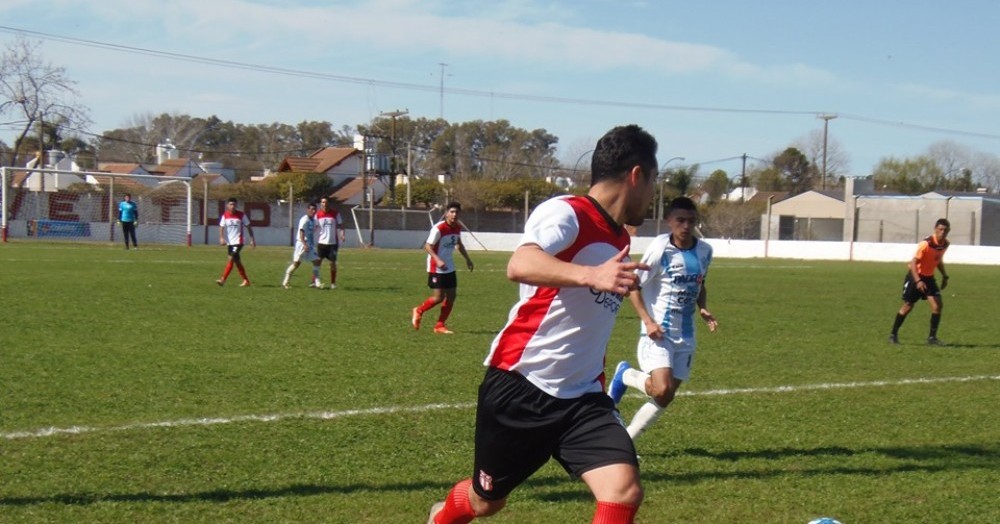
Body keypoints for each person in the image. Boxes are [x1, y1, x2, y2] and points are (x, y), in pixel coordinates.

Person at [427, 124, 658, 524]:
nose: (654, 195)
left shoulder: (618, 235)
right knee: (486, 502)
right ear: (636, 175)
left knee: (623, 490)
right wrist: (591, 276)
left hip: (583, 397)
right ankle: (440, 518)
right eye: (655, 181)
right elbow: (520, 264)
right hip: (522, 386)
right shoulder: (567, 212)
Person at [607, 196, 718, 442]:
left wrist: (703, 307)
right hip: (659, 332)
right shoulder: (660, 250)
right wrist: (647, 321)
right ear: (669, 221)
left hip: (686, 335)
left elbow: (701, 283)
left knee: (665, 396)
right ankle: (624, 378)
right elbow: (633, 285)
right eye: (680, 220)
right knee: (662, 388)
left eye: (691, 221)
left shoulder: (704, 251)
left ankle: (625, 436)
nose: (686, 226)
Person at [411, 202, 475, 335]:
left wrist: (467, 259)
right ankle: (419, 310)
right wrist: (437, 259)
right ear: (446, 213)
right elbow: (427, 246)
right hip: (436, 267)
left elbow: (459, 244)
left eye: (457, 212)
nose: (454, 214)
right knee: (438, 297)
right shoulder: (439, 228)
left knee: (451, 296)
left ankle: (440, 325)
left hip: (449, 266)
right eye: (452, 212)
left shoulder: (457, 228)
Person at [889, 218, 951, 345]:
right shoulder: (926, 244)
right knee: (908, 306)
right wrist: (918, 281)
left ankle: (932, 338)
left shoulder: (945, 244)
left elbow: (937, 260)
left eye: (945, 230)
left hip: (929, 278)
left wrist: (944, 276)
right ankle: (893, 335)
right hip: (915, 277)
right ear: (935, 229)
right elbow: (913, 263)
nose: (943, 232)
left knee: (937, 306)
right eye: (940, 230)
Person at [216, 197, 256, 287]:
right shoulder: (225, 215)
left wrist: (252, 239)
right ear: (227, 205)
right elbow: (221, 227)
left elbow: (248, 226)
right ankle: (246, 281)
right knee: (237, 262)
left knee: (231, 259)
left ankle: (223, 280)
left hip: (239, 241)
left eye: (234, 204)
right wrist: (221, 238)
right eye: (231, 204)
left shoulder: (241, 215)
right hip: (230, 243)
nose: (233, 206)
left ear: (236, 205)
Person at [282, 202, 321, 289]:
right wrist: (304, 244)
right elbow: (301, 232)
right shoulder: (304, 219)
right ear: (308, 210)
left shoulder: (314, 221)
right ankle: (285, 282)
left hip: (309, 244)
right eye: (312, 209)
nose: (314, 211)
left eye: (315, 209)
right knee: (296, 264)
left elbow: (314, 229)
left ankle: (317, 283)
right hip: (301, 244)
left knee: (316, 261)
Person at [315, 197, 345, 289]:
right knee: (318, 262)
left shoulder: (335, 214)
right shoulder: (318, 214)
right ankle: (315, 281)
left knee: (332, 263)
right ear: (321, 203)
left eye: (326, 202)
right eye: (322, 202)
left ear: (329, 203)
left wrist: (342, 234)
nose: (324, 204)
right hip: (321, 243)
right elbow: (314, 227)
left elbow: (341, 225)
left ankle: (333, 284)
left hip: (333, 243)